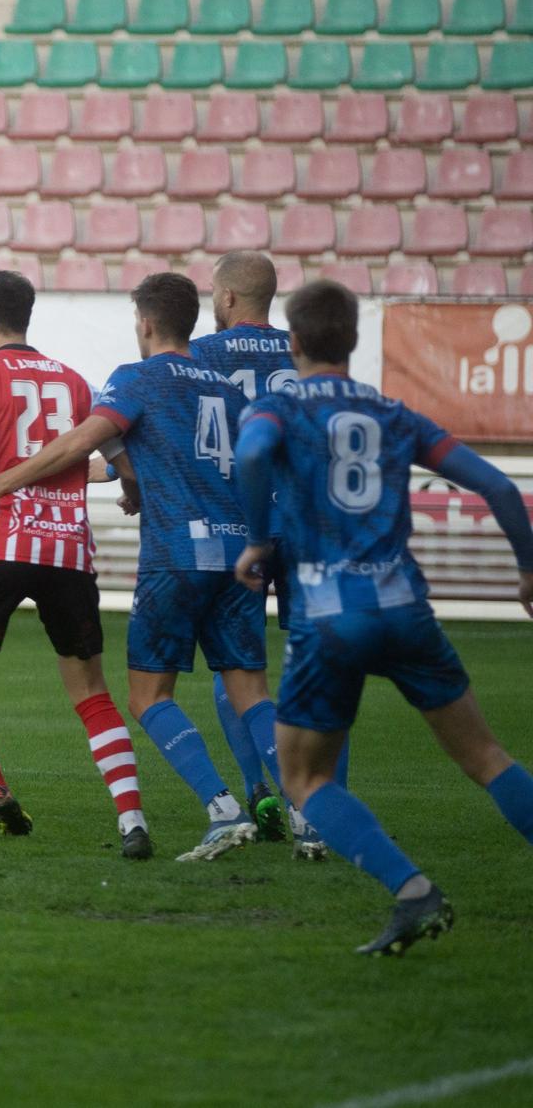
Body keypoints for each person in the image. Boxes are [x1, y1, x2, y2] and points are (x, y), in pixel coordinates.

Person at [232, 279, 533, 955]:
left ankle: (414, 892)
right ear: (355, 341)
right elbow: (498, 486)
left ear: (296, 343)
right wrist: (529, 568)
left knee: (304, 779)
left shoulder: (278, 405)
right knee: (485, 756)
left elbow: (252, 454)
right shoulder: (395, 413)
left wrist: (258, 539)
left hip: (329, 614)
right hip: (404, 607)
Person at [0, 272, 283, 863]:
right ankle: (308, 815)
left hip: (177, 555)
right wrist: (136, 481)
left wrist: (3, 482)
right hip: (240, 553)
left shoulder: (136, 379)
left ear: (144, 322)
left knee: (147, 694)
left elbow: (77, 443)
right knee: (252, 693)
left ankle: (223, 810)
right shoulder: (232, 390)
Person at [0, 272, 151, 859]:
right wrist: (133, 492)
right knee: (91, 691)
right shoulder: (76, 382)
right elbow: (124, 463)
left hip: (2, 547)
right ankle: (133, 823)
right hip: (68, 550)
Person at [189, 250, 323, 856]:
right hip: (306, 523)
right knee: (311, 668)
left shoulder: (200, 356)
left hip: (241, 528)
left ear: (226, 297)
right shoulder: (303, 353)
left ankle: (257, 789)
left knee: (236, 665)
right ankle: (317, 809)